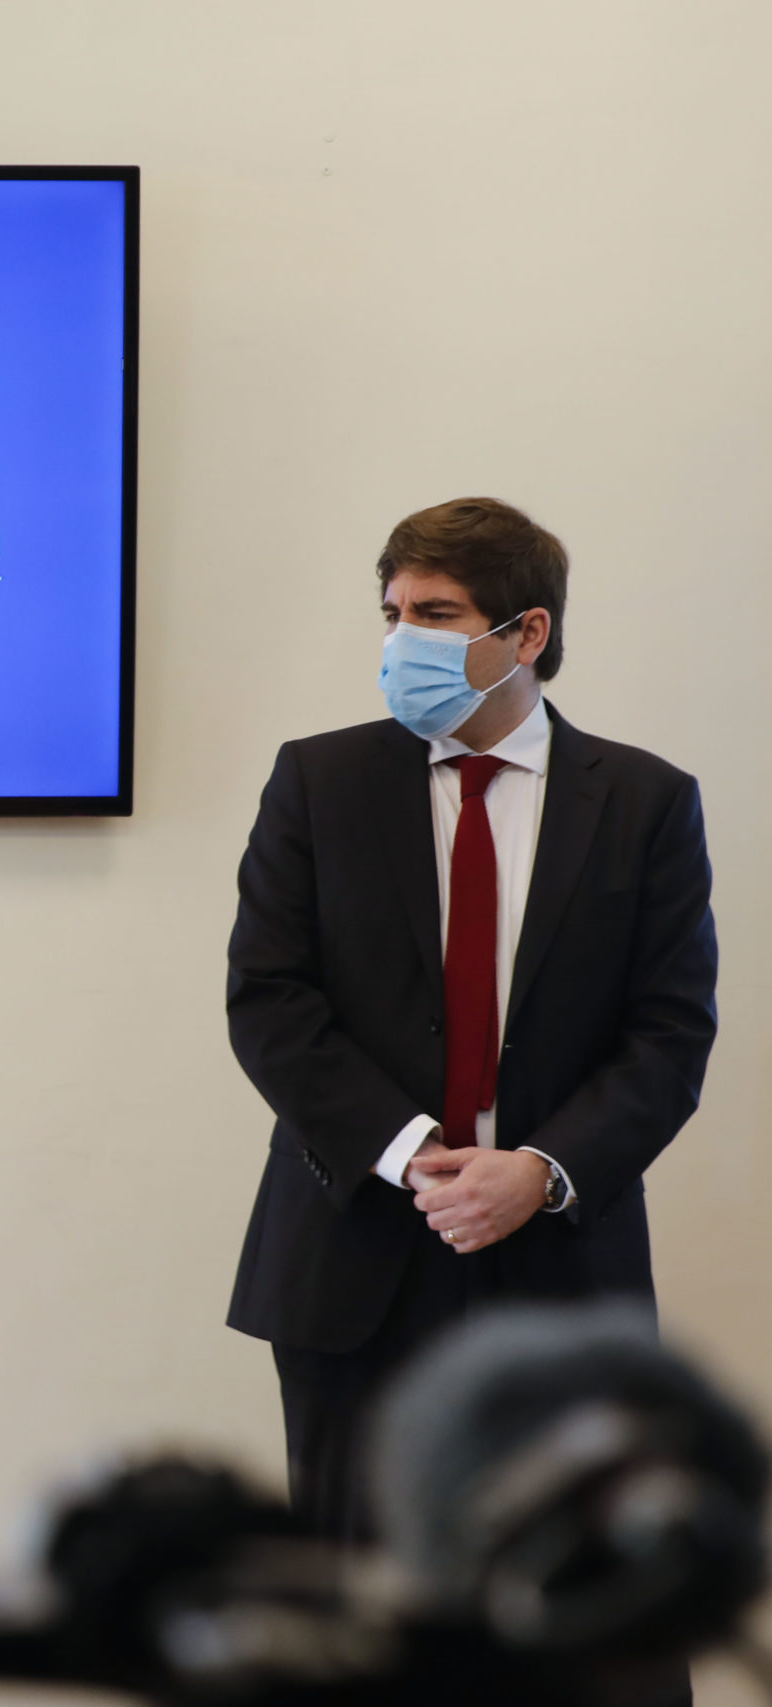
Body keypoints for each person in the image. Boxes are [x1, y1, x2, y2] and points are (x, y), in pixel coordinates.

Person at [225, 497, 717, 1539]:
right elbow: (270, 1000)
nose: (402, 639)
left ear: (526, 633)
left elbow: (669, 1037)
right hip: (355, 1250)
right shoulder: (319, 781)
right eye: (392, 612)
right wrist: (411, 1154)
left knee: (562, 1584)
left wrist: (539, 1170)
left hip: (561, 1262)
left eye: (436, 614)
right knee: (357, 1595)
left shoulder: (645, 802)